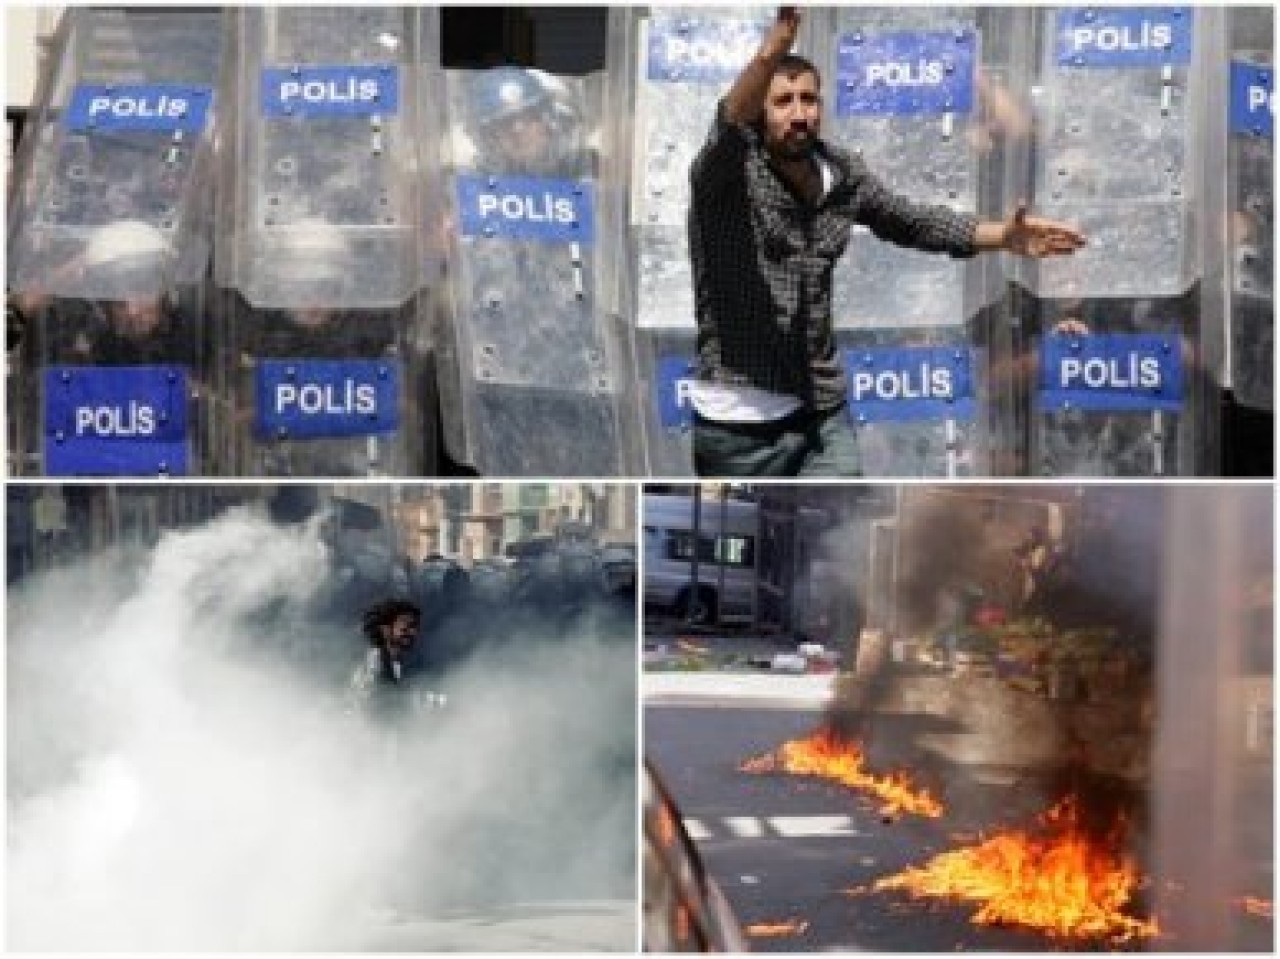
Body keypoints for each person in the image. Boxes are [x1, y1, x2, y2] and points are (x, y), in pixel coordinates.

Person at [687, 7, 1087, 477]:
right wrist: (772, 50)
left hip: (820, 406)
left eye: (808, 100)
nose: (799, 114)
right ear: (760, 110)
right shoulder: (727, 178)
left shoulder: (840, 174)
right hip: (741, 419)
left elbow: (912, 222)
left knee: (840, 511)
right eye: (783, 102)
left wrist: (1005, 236)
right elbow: (727, 126)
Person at [347, 598, 435, 719]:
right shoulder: (374, 664)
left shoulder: (394, 663)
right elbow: (369, 708)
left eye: (415, 627)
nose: (413, 632)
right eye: (407, 627)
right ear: (386, 630)